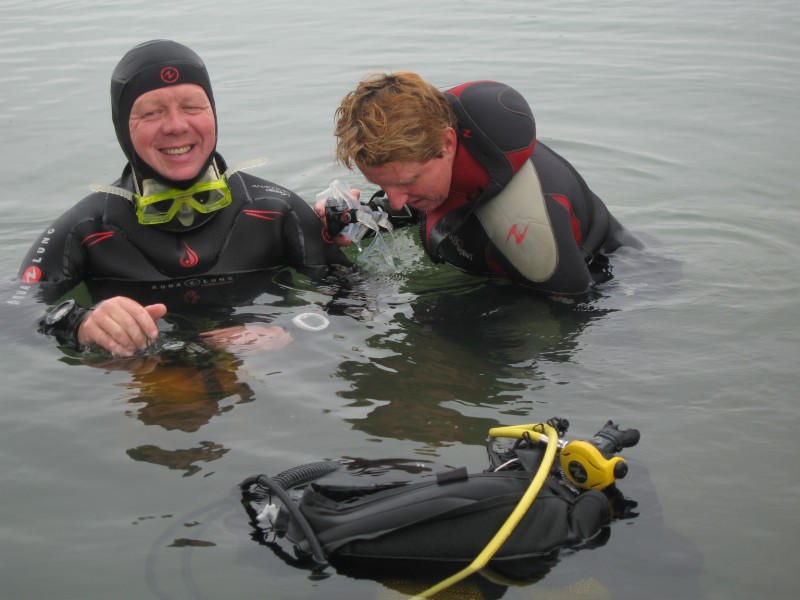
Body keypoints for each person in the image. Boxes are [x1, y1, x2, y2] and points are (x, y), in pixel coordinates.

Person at [17, 40, 349, 357]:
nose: (176, 126)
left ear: (214, 113)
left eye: (192, 107)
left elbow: (362, 296)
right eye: (151, 113)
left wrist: (292, 331)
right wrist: (79, 325)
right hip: (147, 372)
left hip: (259, 370)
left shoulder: (276, 210)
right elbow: (14, 315)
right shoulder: (87, 228)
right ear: (122, 127)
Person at [320, 72, 644, 295]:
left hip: (621, 282)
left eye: (407, 182)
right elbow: (407, 206)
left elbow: (567, 320)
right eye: (382, 184)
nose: (397, 200)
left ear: (447, 144)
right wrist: (361, 218)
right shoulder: (432, 151)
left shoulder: (526, 223)